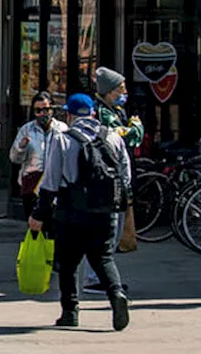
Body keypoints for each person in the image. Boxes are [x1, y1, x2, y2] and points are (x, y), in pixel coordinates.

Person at [29, 93, 131, 331]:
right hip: (106, 211)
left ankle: (70, 312)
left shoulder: (62, 139)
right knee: (103, 257)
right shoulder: (113, 138)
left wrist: (39, 213)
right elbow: (125, 177)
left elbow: (51, 182)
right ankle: (116, 293)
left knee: (68, 263)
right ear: (93, 113)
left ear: (70, 115)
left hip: (71, 211)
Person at [86, 66, 143, 292]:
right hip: (109, 180)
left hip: (116, 178)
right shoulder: (105, 114)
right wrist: (136, 127)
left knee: (114, 231)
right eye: (121, 89)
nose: (124, 92)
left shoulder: (113, 110)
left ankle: (101, 276)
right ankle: (96, 278)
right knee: (108, 230)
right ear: (109, 91)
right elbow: (127, 137)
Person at [10, 91, 68, 218]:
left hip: (54, 183)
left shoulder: (62, 129)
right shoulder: (27, 130)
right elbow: (14, 158)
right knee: (33, 227)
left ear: (52, 109)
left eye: (46, 109)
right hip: (32, 183)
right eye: (38, 110)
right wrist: (21, 147)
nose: (42, 114)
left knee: (54, 227)